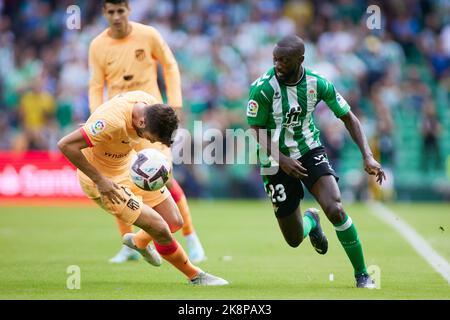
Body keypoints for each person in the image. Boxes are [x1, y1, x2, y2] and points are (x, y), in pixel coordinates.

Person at [247, 35, 386, 288]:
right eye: (275, 59)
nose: (278, 64)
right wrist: (283, 160)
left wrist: (367, 155)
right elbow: (255, 129)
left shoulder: (317, 83)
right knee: (294, 238)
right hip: (274, 160)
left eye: (284, 60)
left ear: (300, 60)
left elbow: (349, 117)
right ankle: (312, 221)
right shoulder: (263, 88)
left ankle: (362, 275)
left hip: (309, 150)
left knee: (336, 209)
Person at [57, 90, 227, 286]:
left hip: (130, 169)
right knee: (160, 228)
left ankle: (138, 242)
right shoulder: (112, 121)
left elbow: (159, 140)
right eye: (151, 138)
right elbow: (66, 145)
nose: (152, 142)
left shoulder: (149, 104)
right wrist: (100, 180)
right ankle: (196, 276)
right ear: (141, 123)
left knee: (174, 221)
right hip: (102, 181)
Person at [88, 0, 206, 263]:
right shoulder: (97, 45)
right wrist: (95, 117)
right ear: (104, 13)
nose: (117, 17)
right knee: (119, 182)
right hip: (120, 124)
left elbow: (170, 66)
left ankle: (191, 236)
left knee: (163, 177)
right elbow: (96, 85)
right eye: (111, 12)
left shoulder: (148, 35)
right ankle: (130, 245)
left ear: (129, 10)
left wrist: (174, 105)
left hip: (151, 124)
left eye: (121, 11)